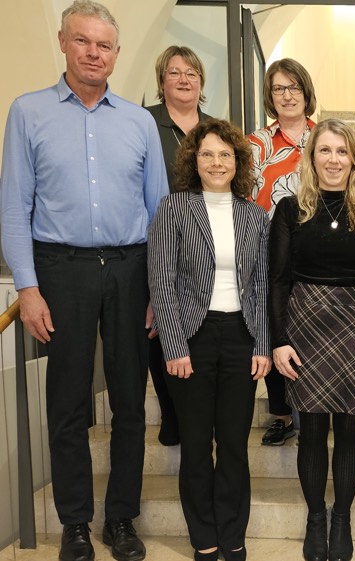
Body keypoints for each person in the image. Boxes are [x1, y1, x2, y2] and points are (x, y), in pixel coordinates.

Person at [0, 2, 168, 561]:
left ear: (117, 55)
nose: (94, 53)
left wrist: (159, 294)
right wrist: (26, 287)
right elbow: (12, 208)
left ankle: (121, 518)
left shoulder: (140, 121)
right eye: (83, 42)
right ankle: (75, 522)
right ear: (64, 43)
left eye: (104, 45)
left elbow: (160, 214)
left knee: (127, 401)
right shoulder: (27, 113)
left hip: (131, 268)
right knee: (68, 401)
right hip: (60, 269)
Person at [269, 119, 355, 561]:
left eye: (343, 151)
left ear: (354, 160)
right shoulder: (289, 210)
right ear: (312, 157)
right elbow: (278, 280)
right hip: (304, 324)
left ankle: (341, 517)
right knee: (312, 429)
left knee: (349, 428)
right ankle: (315, 518)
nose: (334, 159)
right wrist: (278, 340)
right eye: (325, 151)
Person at [148, 118, 270, 561]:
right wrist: (175, 345)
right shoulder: (173, 208)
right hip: (193, 338)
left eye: (225, 155)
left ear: (237, 162)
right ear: (193, 161)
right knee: (197, 445)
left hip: (241, 335)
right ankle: (205, 537)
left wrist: (262, 344)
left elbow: (261, 287)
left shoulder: (255, 215)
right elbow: (161, 280)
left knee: (235, 445)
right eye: (207, 154)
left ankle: (233, 535)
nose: (217, 162)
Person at [145, 44, 213, 446]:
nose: (184, 79)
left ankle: (198, 412)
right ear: (162, 81)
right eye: (174, 72)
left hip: (206, 245)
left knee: (200, 328)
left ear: (201, 81)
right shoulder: (145, 123)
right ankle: (171, 413)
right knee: (160, 329)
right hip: (160, 241)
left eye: (191, 72)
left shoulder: (215, 126)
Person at [249, 58, 318, 447]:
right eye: (279, 88)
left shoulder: (325, 137)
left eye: (294, 87)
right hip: (264, 250)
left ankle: (311, 407)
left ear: (306, 92)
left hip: (313, 253)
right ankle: (280, 413)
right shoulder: (254, 144)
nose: (287, 95)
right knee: (275, 327)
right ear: (269, 96)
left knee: (308, 330)